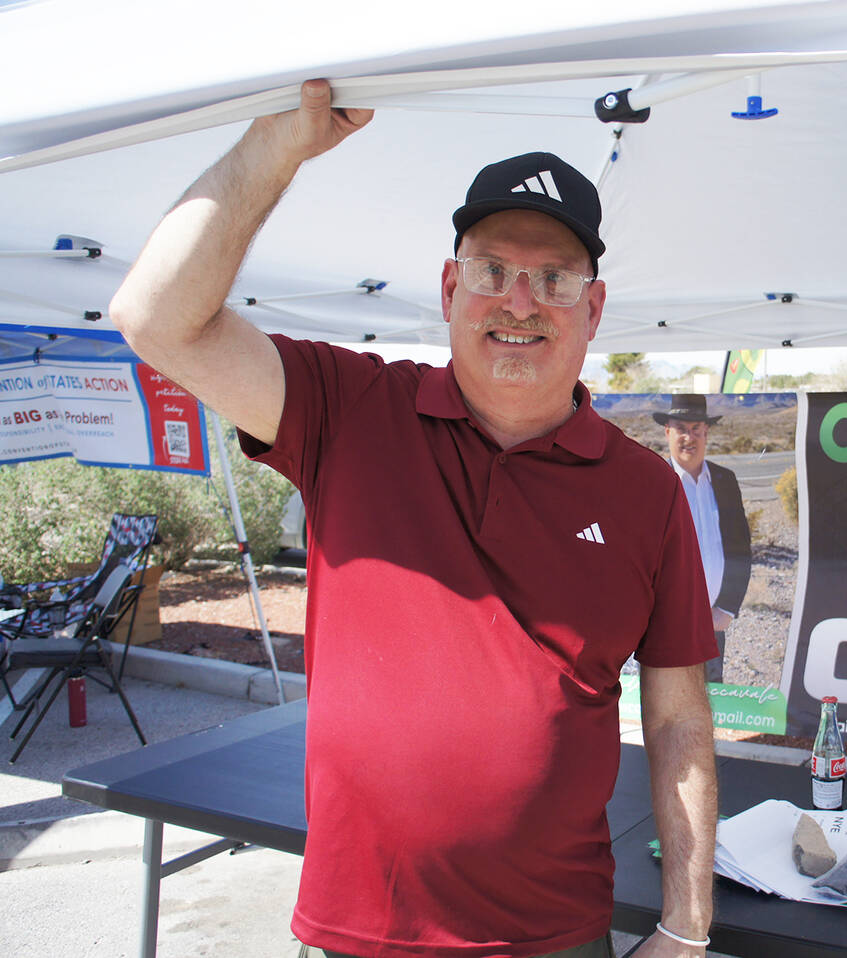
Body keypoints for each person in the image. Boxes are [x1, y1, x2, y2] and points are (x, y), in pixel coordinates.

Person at [110, 80, 718, 958]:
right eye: (492, 271)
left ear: (592, 308)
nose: (519, 302)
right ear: (447, 288)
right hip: (364, 935)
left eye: (553, 278)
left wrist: (686, 928)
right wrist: (275, 148)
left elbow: (678, 719)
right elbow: (155, 318)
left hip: (556, 938)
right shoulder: (349, 410)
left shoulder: (645, 490)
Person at [654, 395, 752, 683]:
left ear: (707, 433)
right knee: (665, 705)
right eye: (681, 428)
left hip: (712, 625)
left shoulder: (725, 480)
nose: (689, 437)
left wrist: (727, 608)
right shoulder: (652, 479)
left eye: (696, 428)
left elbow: (740, 548)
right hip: (665, 625)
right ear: (667, 431)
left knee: (709, 702)